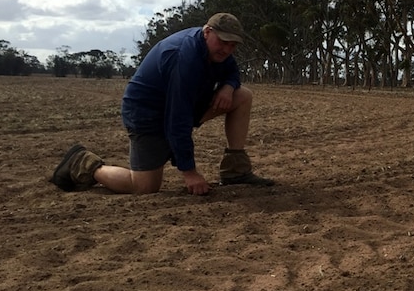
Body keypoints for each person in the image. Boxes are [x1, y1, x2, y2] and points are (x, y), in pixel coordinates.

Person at [50, 12, 274, 195]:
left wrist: (227, 86)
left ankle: (235, 171)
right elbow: (178, 118)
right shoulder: (183, 58)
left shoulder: (217, 52)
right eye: (223, 42)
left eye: (233, 45)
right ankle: (85, 162)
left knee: (241, 95)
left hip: (180, 105)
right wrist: (190, 173)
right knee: (144, 187)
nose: (227, 49)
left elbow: (232, 70)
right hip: (147, 114)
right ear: (207, 32)